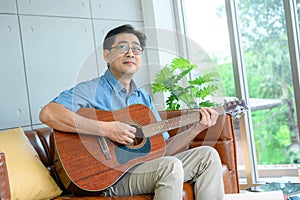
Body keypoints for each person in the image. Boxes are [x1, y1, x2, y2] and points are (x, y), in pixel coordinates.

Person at [39, 24, 225, 200]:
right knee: (170, 166)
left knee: (208, 155)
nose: (130, 53)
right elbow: (49, 113)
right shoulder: (91, 90)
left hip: (144, 168)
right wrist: (106, 129)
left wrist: (196, 128)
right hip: (107, 177)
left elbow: (165, 150)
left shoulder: (143, 100)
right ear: (106, 55)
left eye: (136, 49)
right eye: (122, 47)